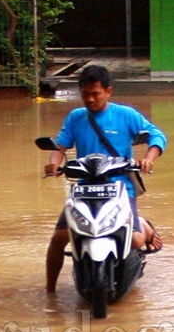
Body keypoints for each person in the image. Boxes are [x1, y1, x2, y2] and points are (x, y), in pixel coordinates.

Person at [44, 65, 166, 291]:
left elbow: (157, 135)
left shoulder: (126, 115)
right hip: (84, 188)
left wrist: (149, 158)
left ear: (108, 91)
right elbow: (60, 145)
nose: (90, 99)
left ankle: (145, 228)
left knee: (135, 240)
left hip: (121, 188)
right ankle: (49, 290)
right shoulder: (76, 117)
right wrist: (54, 162)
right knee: (60, 237)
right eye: (85, 94)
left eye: (95, 94)